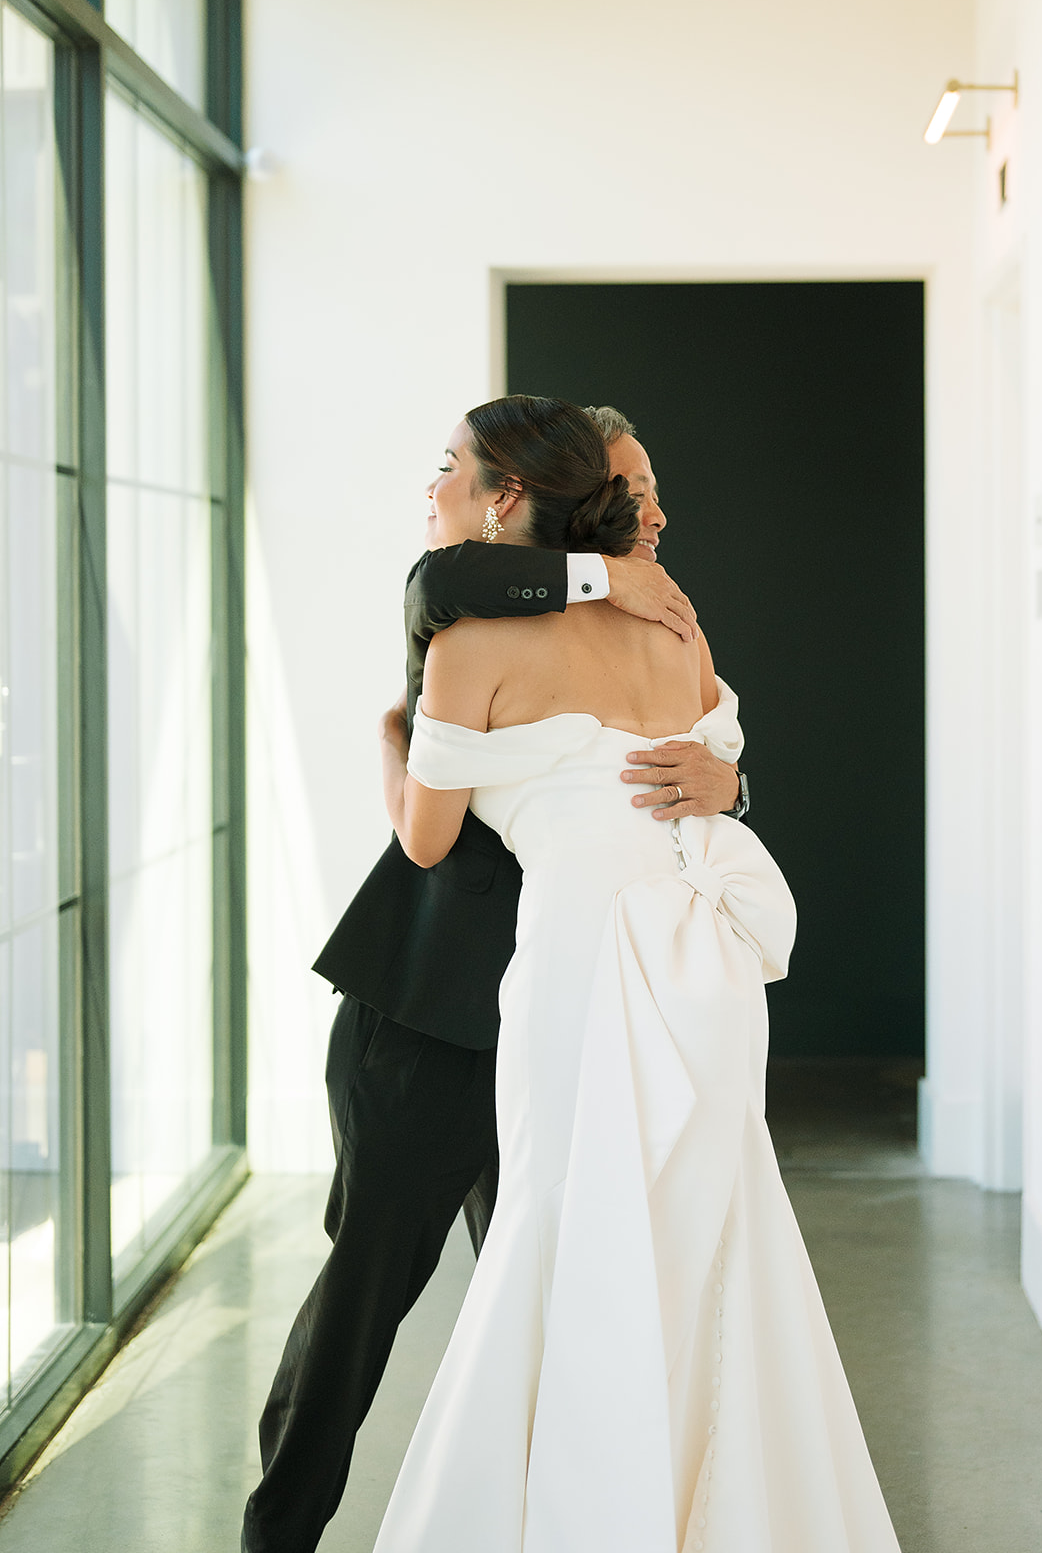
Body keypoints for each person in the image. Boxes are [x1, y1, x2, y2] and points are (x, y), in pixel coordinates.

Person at [373, 395, 901, 1552]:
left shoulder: (464, 645)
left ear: (513, 497)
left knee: (561, 1228)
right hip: (703, 969)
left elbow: (423, 840)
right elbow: (710, 769)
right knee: (711, 1239)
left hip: (578, 962)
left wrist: (392, 740)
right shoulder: (676, 628)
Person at [240, 408, 745, 1553]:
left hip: (578, 1021)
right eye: (630, 491)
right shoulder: (457, 606)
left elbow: (697, 766)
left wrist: (726, 790)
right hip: (430, 1021)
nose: (649, 516)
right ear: (539, 498)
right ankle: (277, 1535)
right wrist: (598, 577)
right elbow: (448, 582)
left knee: (566, 1302)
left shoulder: (658, 626)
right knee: (364, 1303)